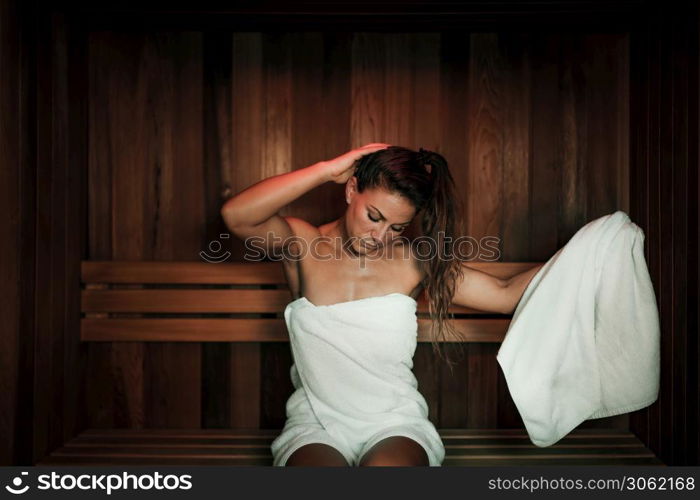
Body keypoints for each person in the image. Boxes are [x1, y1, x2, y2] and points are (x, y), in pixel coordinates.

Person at [221, 143, 542, 466]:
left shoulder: (413, 262)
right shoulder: (303, 245)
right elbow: (237, 216)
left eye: (397, 227)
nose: (380, 235)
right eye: (374, 216)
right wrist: (326, 170)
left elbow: (504, 293)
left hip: (393, 423)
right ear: (351, 190)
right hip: (315, 422)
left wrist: (590, 249)